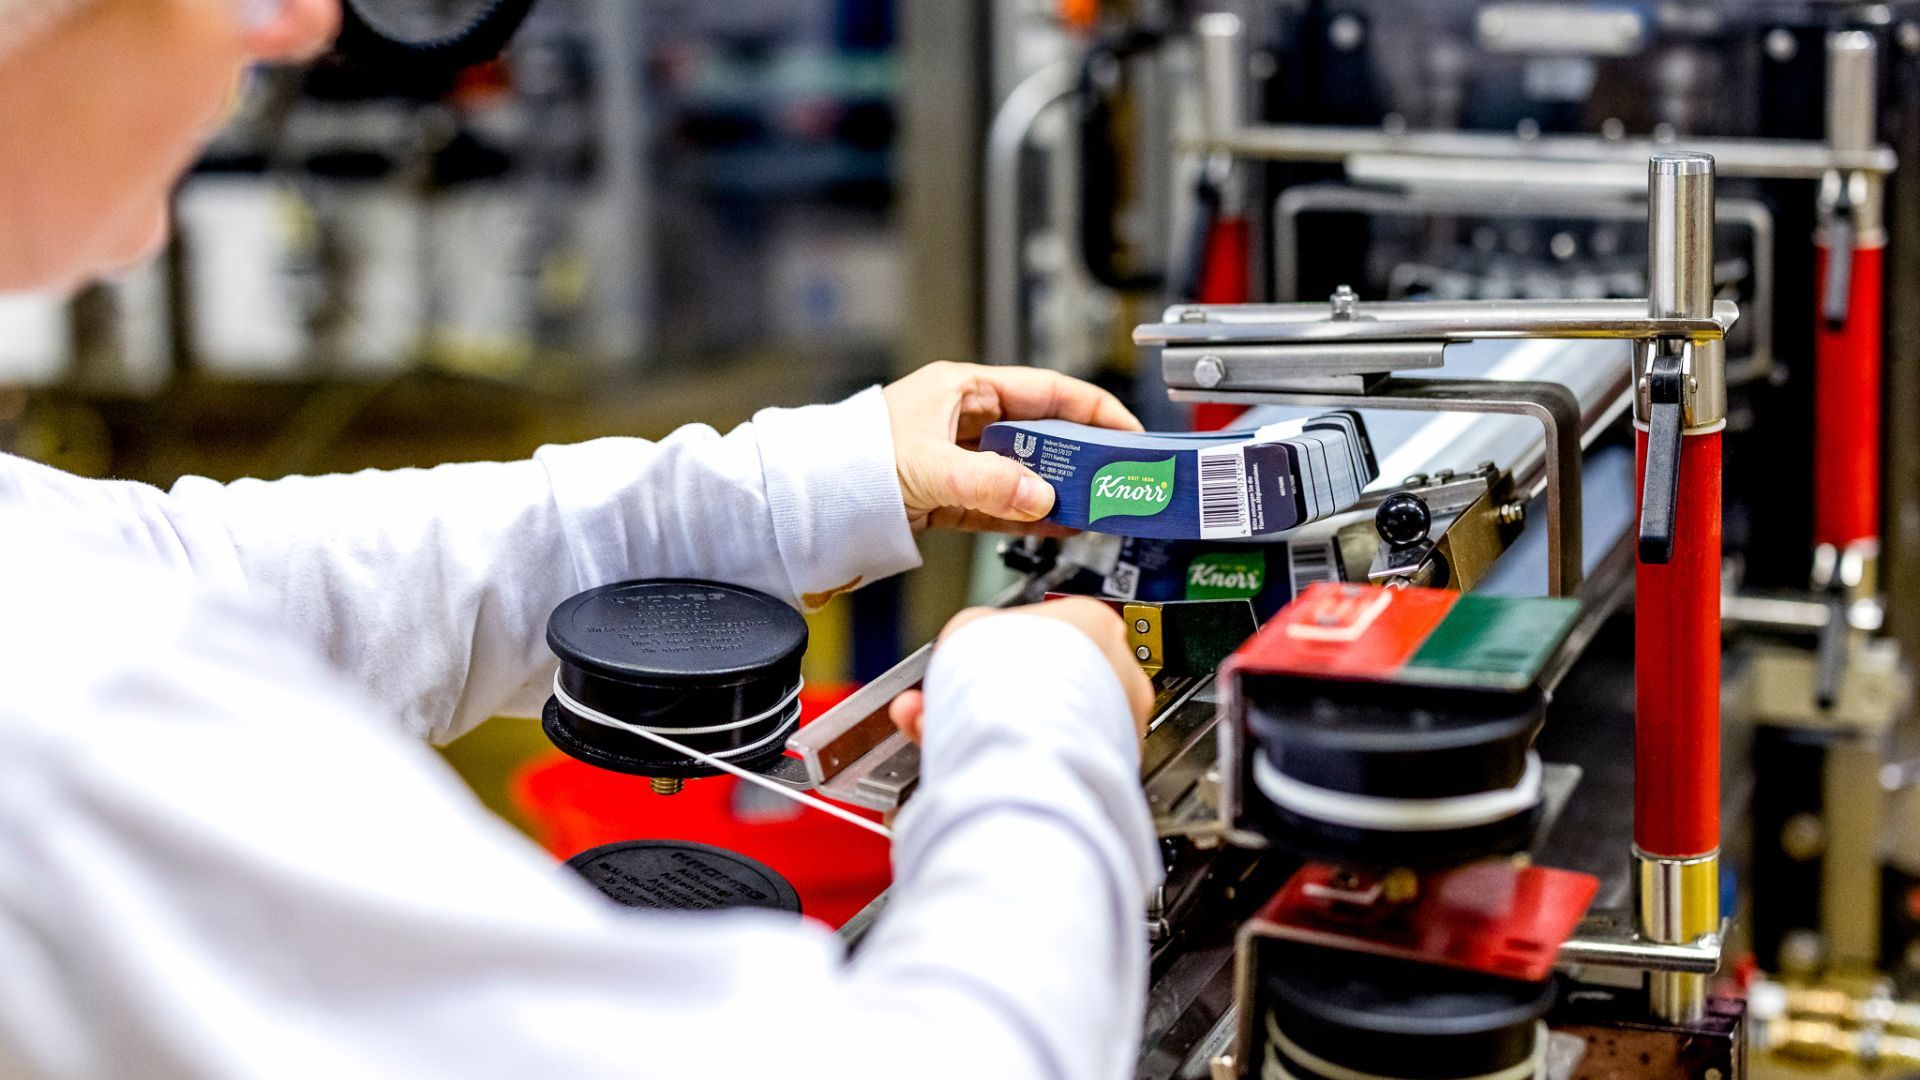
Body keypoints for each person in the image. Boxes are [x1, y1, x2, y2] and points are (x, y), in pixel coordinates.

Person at [0, 2, 1162, 1078]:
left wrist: (813, 482)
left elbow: (261, 584)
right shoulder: (64, 719)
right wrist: (1045, 726)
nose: (303, 18)